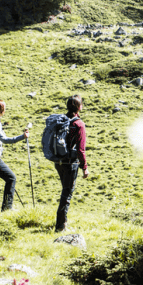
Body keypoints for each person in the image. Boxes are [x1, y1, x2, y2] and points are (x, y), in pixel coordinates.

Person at [55, 94, 88, 232]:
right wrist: (84, 167)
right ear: (79, 107)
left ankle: (64, 222)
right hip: (70, 163)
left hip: (58, 161)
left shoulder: (60, 120)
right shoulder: (79, 124)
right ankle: (60, 226)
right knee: (67, 194)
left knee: (65, 191)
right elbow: (81, 149)